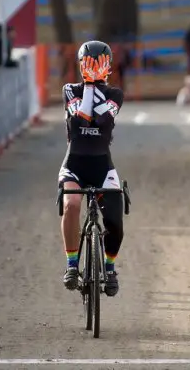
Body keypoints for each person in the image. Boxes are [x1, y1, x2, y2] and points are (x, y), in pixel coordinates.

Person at [59, 40, 125, 297]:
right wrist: (87, 84)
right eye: (89, 63)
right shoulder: (70, 90)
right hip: (74, 164)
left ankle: (109, 268)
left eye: (99, 64)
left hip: (102, 165)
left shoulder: (115, 94)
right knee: (72, 205)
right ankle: (72, 265)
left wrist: (93, 86)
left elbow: (101, 119)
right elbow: (82, 118)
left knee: (115, 222)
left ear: (108, 67)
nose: (94, 68)